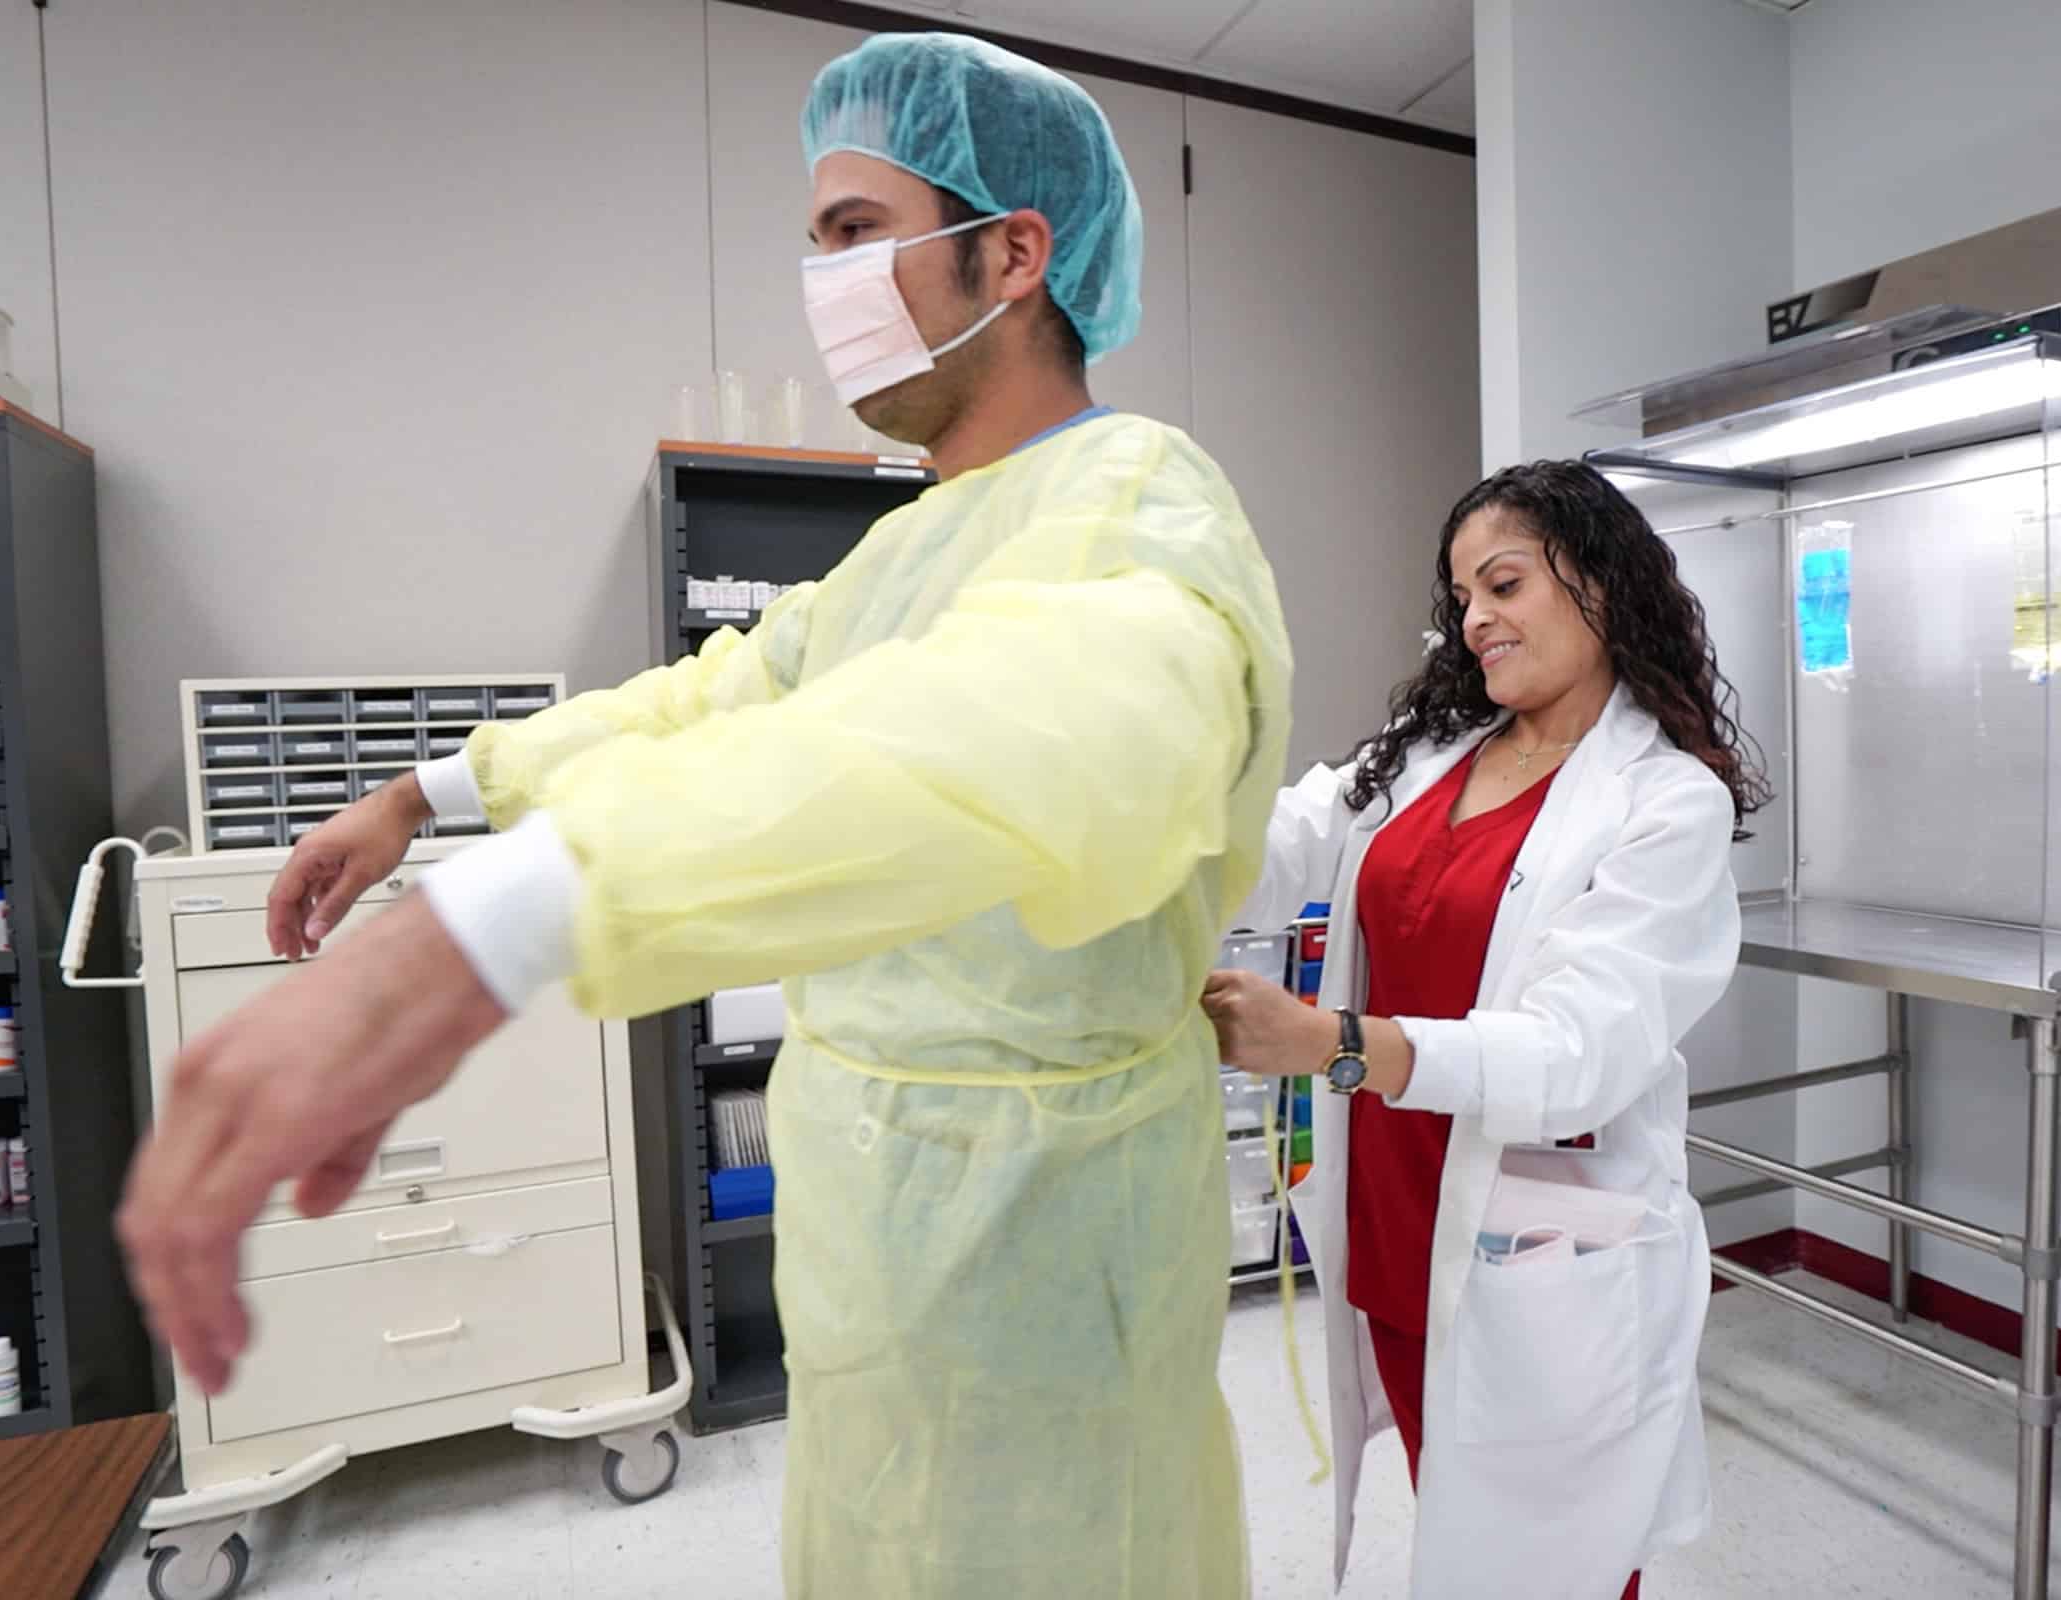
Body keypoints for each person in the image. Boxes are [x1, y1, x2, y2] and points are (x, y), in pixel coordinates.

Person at [115, 32, 1294, 1600]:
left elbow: (989, 744)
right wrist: (432, 795)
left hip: (1038, 1237)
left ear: (1015, 253)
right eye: (812, 241)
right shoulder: (917, 541)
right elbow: (722, 696)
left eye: (854, 234)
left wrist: (484, 936)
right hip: (883, 1226)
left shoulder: (1140, 510)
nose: (820, 284)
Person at [1202, 460, 1769, 1598]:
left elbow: (1574, 1054)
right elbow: (1266, 848)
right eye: (1462, 597)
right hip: (1395, 1221)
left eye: (1503, 583)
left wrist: (1329, 1042)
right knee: (1451, 1522)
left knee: (1548, 1562)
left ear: (1600, 583)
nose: (1476, 620)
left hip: (1539, 1258)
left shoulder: (1664, 804)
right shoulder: (1427, 760)